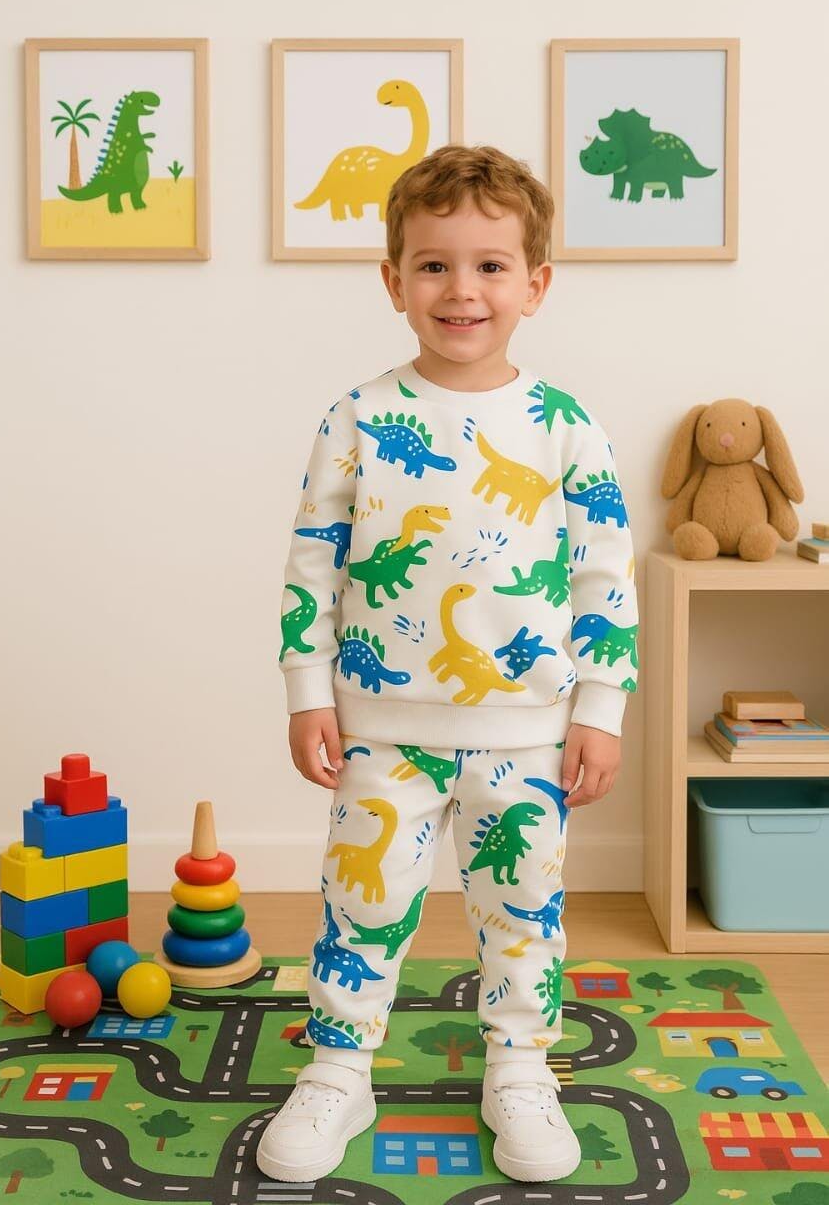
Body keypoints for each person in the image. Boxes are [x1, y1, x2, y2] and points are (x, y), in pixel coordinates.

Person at [257, 144, 640, 1185]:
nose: (461, 289)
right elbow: (314, 560)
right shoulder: (357, 415)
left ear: (534, 285)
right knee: (362, 903)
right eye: (433, 265)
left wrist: (600, 708)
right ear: (394, 281)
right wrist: (306, 691)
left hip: (527, 731)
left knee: (521, 911)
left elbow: (604, 572)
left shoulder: (565, 427)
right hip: (379, 725)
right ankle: (340, 1066)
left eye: (488, 265)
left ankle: (519, 1066)